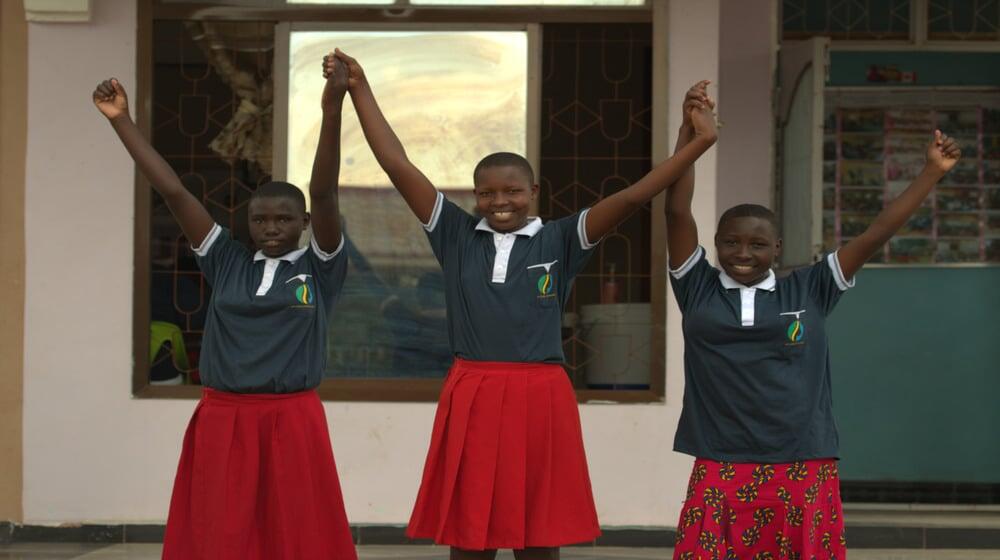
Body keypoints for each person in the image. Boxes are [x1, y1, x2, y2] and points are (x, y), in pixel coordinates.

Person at [328, 49, 717, 560]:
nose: (500, 201)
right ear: (474, 196)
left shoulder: (559, 240)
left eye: (512, 191)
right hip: (473, 390)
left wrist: (695, 141)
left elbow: (633, 197)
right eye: (487, 193)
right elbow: (397, 164)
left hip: (541, 394)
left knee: (538, 536)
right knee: (471, 536)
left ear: (533, 191)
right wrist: (359, 88)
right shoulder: (456, 234)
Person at [664, 81, 961, 559]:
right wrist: (689, 135)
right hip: (721, 459)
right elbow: (676, 210)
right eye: (731, 242)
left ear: (777, 249)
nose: (743, 253)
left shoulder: (810, 287)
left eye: (757, 244)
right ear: (716, 243)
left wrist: (931, 172)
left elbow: (876, 233)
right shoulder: (697, 285)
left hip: (802, 459)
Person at [92, 54, 357, 560]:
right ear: (248, 223)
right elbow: (172, 190)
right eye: (261, 220)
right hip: (223, 418)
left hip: (291, 419)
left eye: (284, 220)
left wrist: (333, 105)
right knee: (221, 536)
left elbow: (323, 192)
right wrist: (121, 120)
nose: (272, 229)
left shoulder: (320, 268)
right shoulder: (227, 261)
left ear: (303, 223)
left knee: (294, 536)